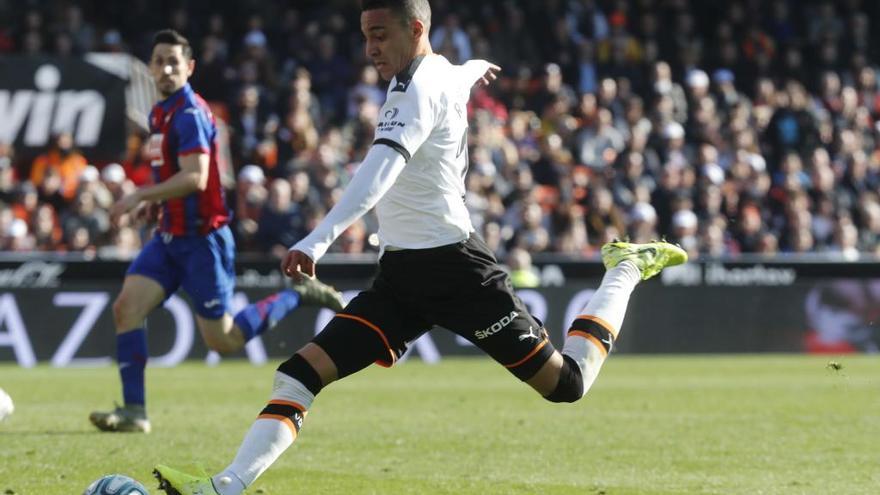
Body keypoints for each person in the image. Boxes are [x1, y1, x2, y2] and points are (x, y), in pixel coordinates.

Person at [153, 2, 686, 493]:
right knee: (300, 372)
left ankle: (625, 268)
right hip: (402, 279)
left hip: (459, 271)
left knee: (567, 385)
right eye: (365, 36)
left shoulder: (417, 90)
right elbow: (459, 71)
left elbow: (379, 170)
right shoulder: (436, 73)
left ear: (415, 29)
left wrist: (320, 238)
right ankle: (224, 487)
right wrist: (477, 66)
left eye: (380, 35)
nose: (370, 49)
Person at [89, 30, 344, 434]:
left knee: (222, 340)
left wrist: (141, 194)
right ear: (151, 67)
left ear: (189, 67)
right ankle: (135, 412)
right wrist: (157, 202)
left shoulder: (189, 113)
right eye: (159, 60)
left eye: (174, 61)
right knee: (126, 309)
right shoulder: (160, 113)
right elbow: (175, 176)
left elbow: (196, 177)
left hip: (202, 242)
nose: (166, 68)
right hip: (169, 238)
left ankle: (296, 295)